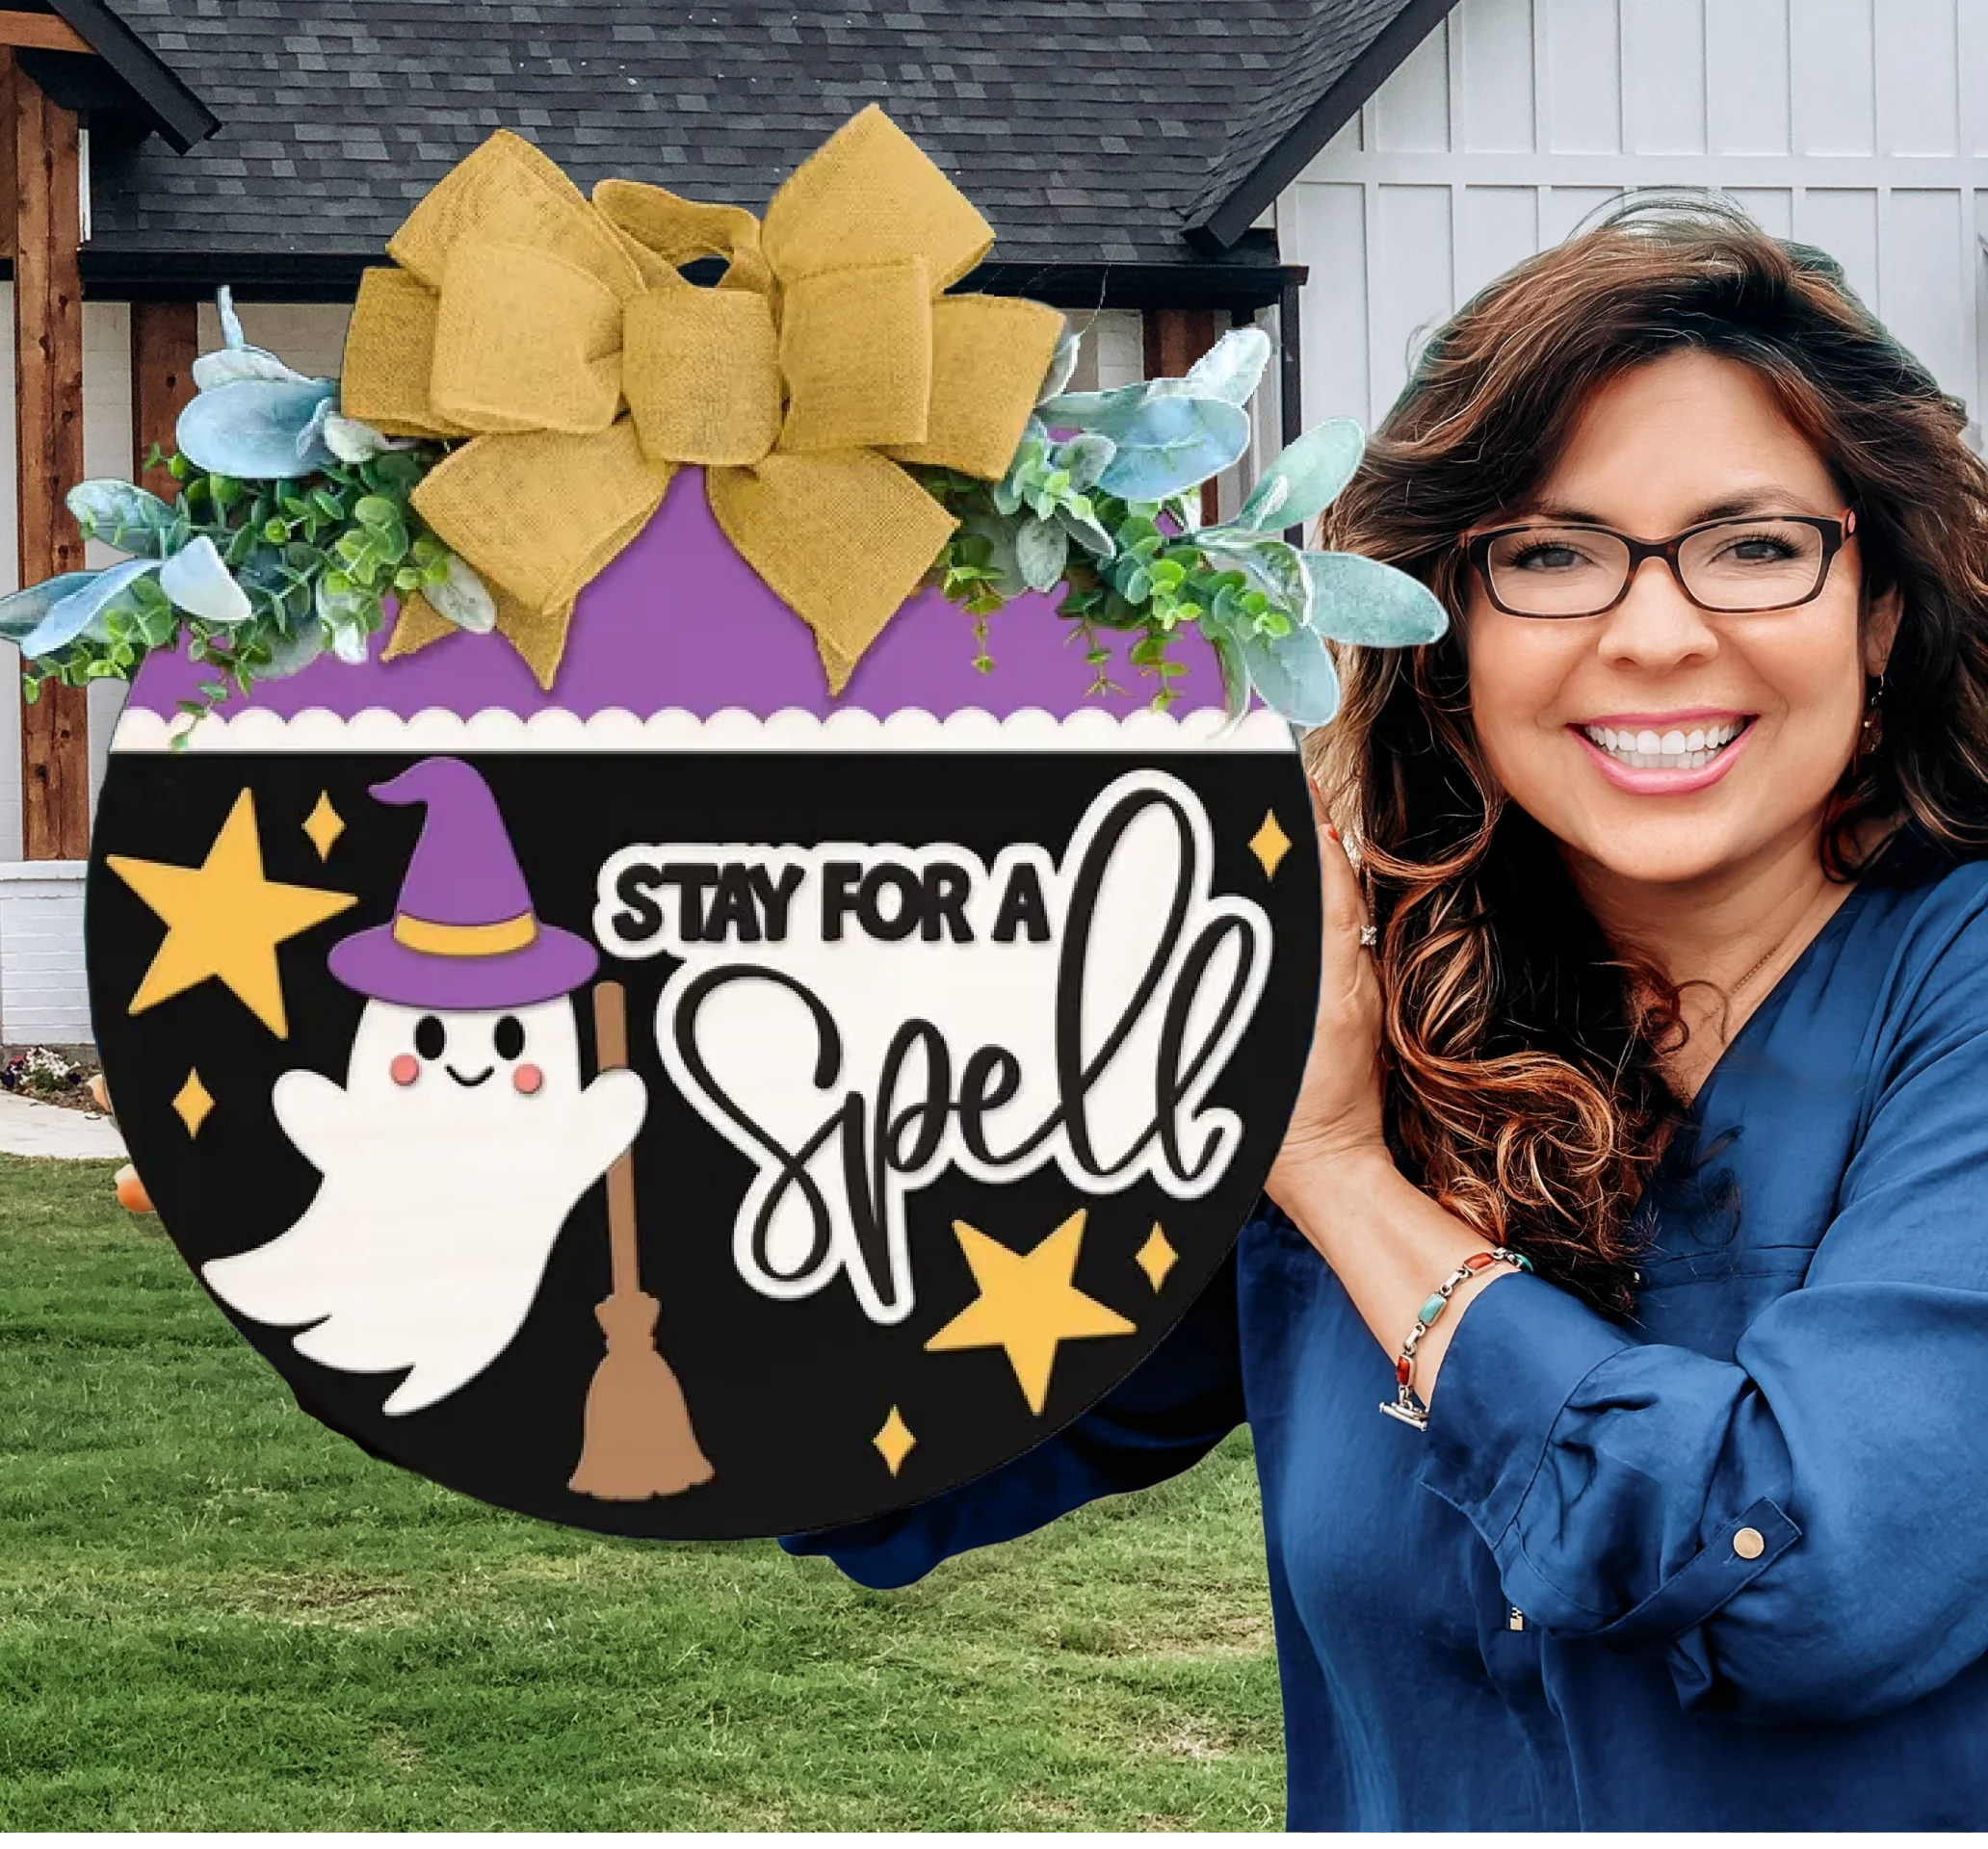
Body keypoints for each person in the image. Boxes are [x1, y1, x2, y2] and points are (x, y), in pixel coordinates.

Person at [785, 199, 1988, 1831]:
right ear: (1449, 630)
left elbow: (1814, 1579)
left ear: (1881, 611)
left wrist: (1344, 1179)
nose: (1654, 634)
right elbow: (885, 1441)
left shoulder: (1950, 997)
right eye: (1550, 555)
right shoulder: (1368, 1003)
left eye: (1756, 547)